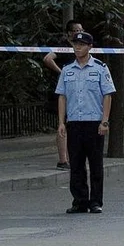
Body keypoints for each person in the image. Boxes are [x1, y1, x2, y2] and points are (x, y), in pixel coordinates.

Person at [56, 31, 116, 214]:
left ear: (90, 47)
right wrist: (61, 122)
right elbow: (62, 96)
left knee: (96, 164)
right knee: (76, 164)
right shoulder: (67, 70)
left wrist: (104, 121)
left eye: (81, 45)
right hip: (75, 122)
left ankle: (95, 201)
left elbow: (107, 95)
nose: (77, 48)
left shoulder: (99, 68)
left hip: (93, 122)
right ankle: (80, 201)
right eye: (75, 44)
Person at [43, 20, 84, 170]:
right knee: (64, 124)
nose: (80, 32)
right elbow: (47, 58)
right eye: (77, 30)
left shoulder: (77, 48)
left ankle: (70, 158)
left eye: (81, 29)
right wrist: (63, 73)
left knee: (72, 124)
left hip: (74, 90)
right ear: (70, 33)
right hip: (63, 91)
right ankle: (63, 160)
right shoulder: (64, 47)